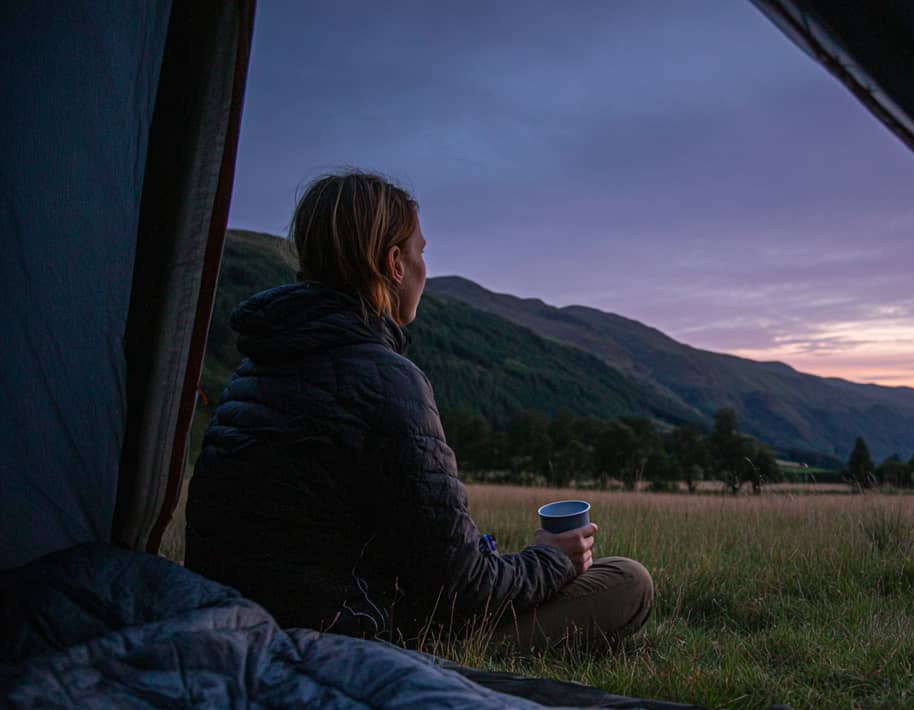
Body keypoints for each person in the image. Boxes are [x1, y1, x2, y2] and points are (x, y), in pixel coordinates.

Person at [185, 171, 653, 650]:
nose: (423, 268)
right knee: (626, 582)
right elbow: (462, 588)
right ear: (393, 264)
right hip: (349, 637)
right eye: (420, 252)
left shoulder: (254, 369)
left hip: (235, 617)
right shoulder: (387, 381)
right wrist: (552, 558)